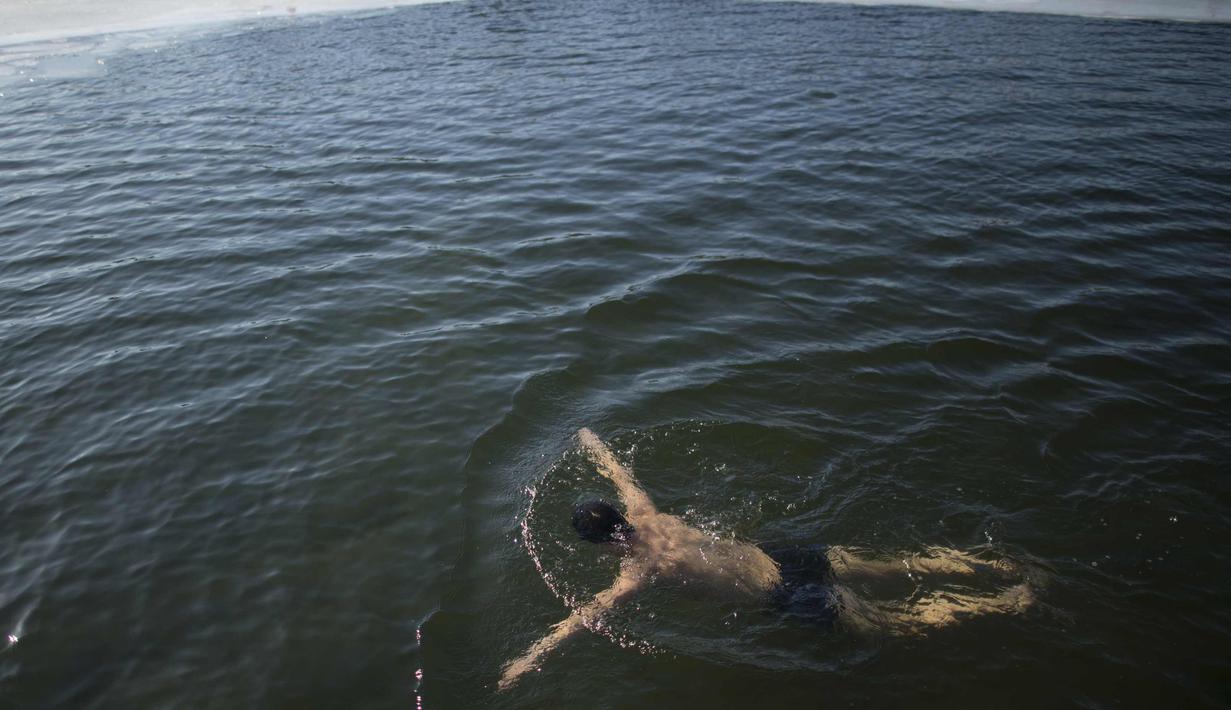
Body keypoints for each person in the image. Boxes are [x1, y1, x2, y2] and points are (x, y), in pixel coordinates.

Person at [498, 428, 1033, 690]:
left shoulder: (638, 571)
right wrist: (594, 443)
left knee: (898, 623)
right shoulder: (651, 516)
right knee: (890, 564)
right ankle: (971, 563)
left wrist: (531, 656)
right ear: (620, 518)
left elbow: (584, 616)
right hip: (779, 556)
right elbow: (622, 475)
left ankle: (1002, 604)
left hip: (784, 597)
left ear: (604, 544)